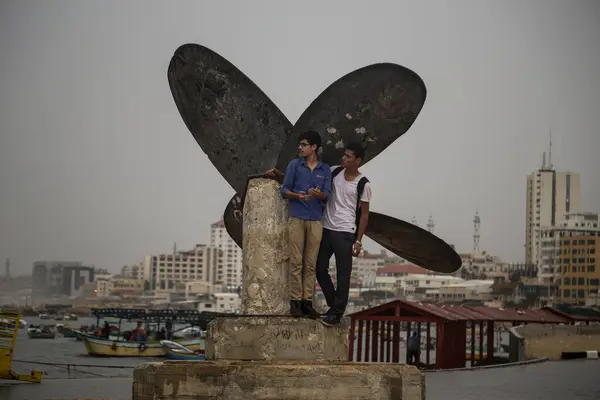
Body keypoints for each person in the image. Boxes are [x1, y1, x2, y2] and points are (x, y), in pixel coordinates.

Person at [267, 131, 331, 318]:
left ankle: (307, 302)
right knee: (296, 261)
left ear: (314, 147)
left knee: (310, 264)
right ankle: (295, 302)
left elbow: (327, 195)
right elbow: (284, 190)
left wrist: (318, 194)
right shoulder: (295, 165)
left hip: (315, 219)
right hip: (296, 217)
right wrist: (298, 196)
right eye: (299, 144)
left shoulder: (324, 169)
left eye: (303, 144)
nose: (300, 148)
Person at [316, 142, 372, 326]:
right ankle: (334, 305)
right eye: (344, 155)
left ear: (358, 160)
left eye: (348, 156)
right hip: (326, 228)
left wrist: (358, 241)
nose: (344, 159)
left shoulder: (363, 184)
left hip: (346, 232)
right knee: (319, 268)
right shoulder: (334, 172)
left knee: (343, 274)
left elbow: (364, 215)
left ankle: (336, 314)